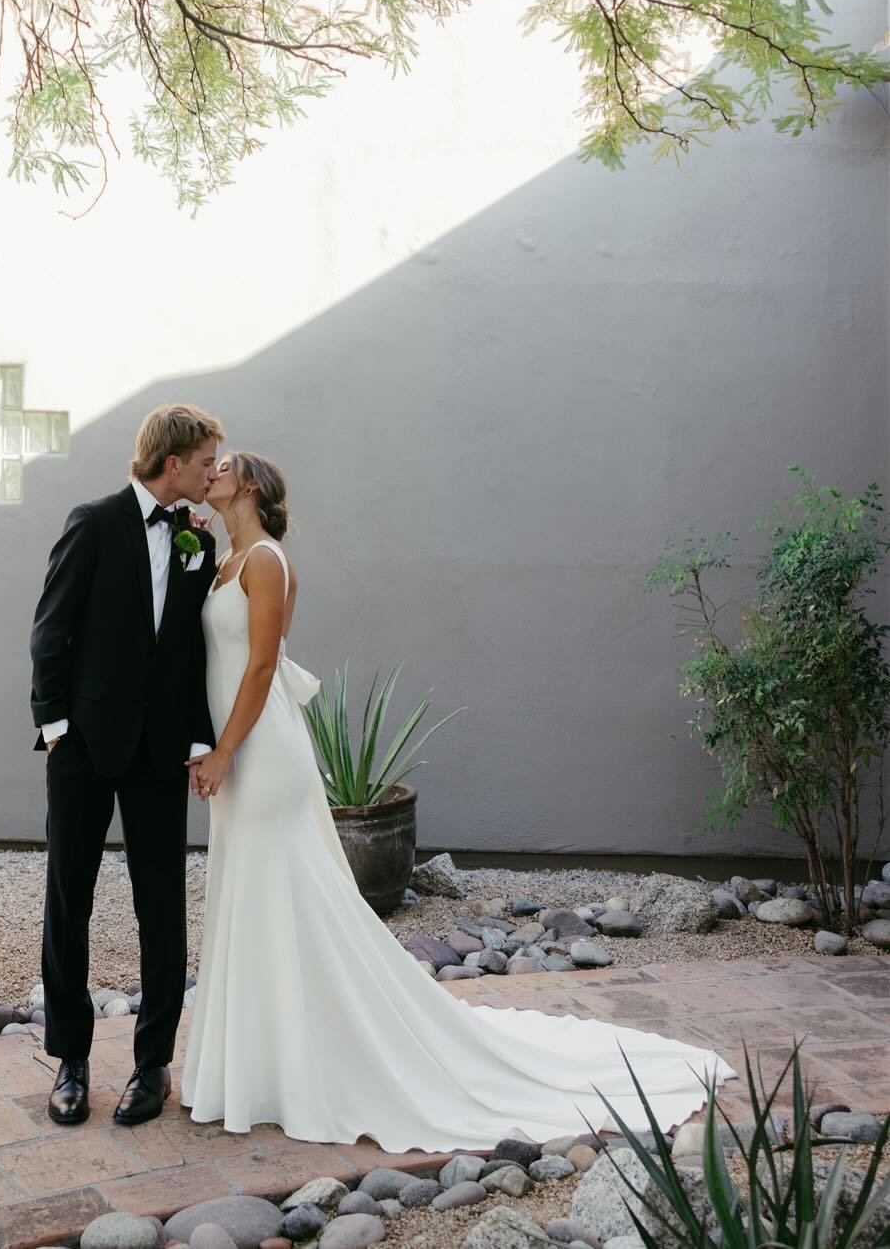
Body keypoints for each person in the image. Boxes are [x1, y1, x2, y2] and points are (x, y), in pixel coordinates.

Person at [180, 449, 741, 1152]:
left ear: (253, 485)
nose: (214, 468)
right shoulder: (224, 558)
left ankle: (303, 1060)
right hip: (238, 748)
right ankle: (256, 1063)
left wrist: (226, 749)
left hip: (261, 752)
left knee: (285, 893)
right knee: (251, 894)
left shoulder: (265, 560)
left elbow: (262, 663)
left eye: (225, 464)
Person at [29, 402, 222, 1128]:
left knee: (161, 908)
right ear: (172, 462)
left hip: (158, 752)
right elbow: (51, 628)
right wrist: (54, 726)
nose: (213, 472)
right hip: (82, 747)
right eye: (206, 461)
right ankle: (71, 1062)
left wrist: (198, 738)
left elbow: (192, 651)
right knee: (67, 902)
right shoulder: (93, 522)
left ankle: (152, 1065)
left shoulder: (195, 540)